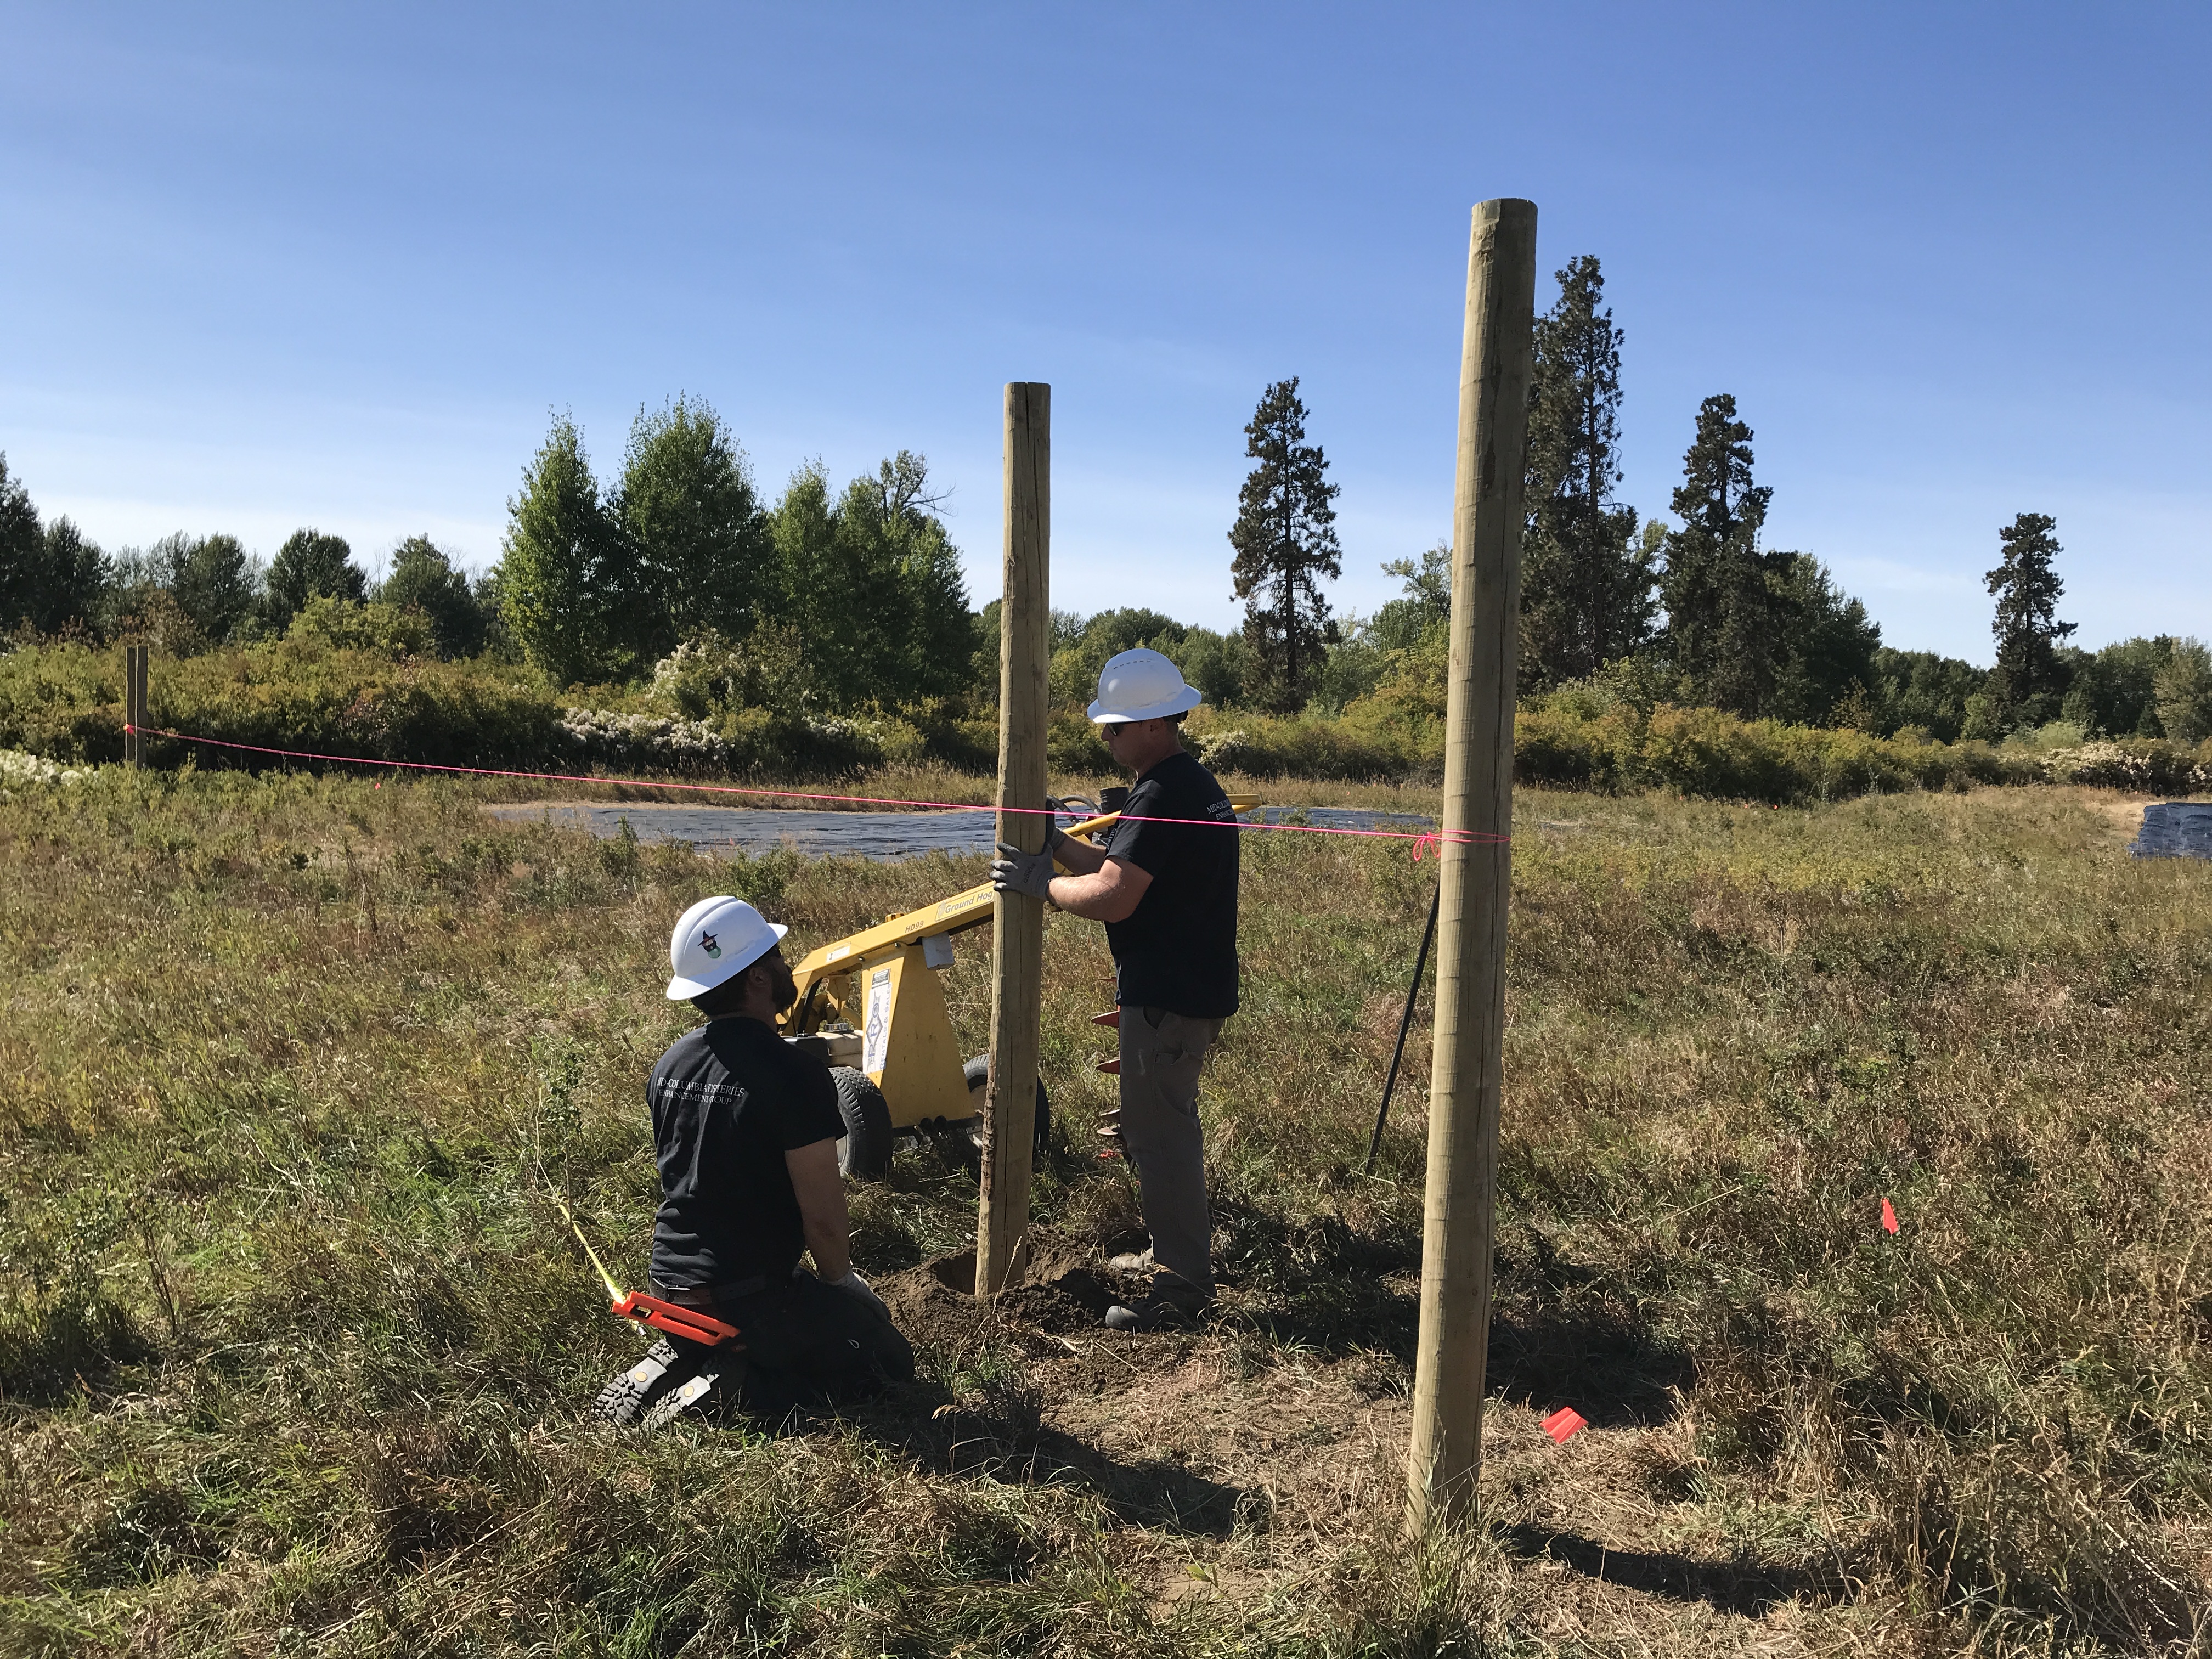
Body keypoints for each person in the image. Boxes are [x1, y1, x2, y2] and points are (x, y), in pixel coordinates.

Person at [594, 894, 915, 1427]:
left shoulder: (672, 1062)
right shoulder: (794, 1075)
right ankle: (739, 1388)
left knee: (750, 1322)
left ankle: (682, 1357)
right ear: (759, 978)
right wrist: (842, 1284)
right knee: (887, 1363)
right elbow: (823, 1218)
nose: (788, 966)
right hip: (745, 1297)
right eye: (777, 956)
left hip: (668, 1282)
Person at [991, 648, 1239, 1331]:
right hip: (1188, 987)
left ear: (1156, 724)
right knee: (1160, 1131)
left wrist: (1041, 884)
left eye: (1116, 726)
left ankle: (1182, 1289)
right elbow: (1122, 869)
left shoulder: (1160, 793)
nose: (1106, 738)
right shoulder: (1190, 784)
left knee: (1161, 1140)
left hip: (1168, 996)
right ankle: (1172, 1259)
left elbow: (1114, 897)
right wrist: (1056, 845)